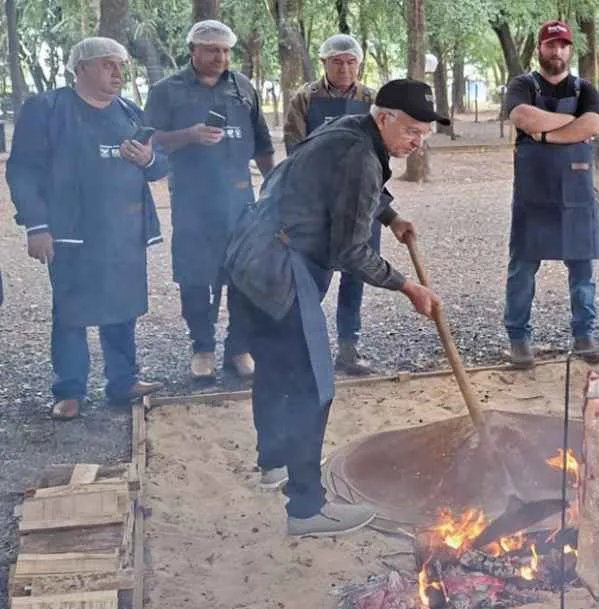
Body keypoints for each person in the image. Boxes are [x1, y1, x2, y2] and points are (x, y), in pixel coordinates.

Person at [224, 79, 443, 537]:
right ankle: (307, 509)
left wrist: (390, 215)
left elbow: (340, 181)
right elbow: (351, 252)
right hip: (280, 268)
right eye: (412, 131)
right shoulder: (362, 156)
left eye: (424, 134)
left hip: (249, 255)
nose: (417, 143)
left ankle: (274, 462)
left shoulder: (349, 127)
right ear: (384, 117)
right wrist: (408, 287)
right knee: (313, 387)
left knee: (275, 367)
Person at [6, 37, 167, 420]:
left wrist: (148, 159)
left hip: (124, 231)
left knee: (123, 306)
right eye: (107, 64)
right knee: (71, 311)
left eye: (120, 65)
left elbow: (160, 167)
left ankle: (123, 381)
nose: (117, 72)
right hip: (71, 233)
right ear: (80, 69)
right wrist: (37, 225)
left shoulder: (129, 111)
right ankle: (70, 390)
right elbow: (23, 170)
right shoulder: (48, 109)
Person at [145, 20, 275, 382]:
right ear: (192, 51)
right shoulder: (166, 91)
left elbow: (262, 144)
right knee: (194, 276)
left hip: (240, 201)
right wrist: (188, 135)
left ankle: (238, 348)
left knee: (244, 275)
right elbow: (148, 141)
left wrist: (274, 188)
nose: (220, 58)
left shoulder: (242, 87)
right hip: (193, 201)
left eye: (225, 51)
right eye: (212, 50)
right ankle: (202, 347)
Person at [503, 20, 599, 368]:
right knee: (522, 268)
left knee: (582, 271)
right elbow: (522, 116)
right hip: (534, 193)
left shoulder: (585, 88)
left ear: (570, 50)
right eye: (550, 45)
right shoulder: (522, 85)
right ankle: (518, 338)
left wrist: (545, 134)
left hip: (577, 195)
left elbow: (594, 124)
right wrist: (572, 124)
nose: (556, 51)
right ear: (540, 49)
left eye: (562, 45)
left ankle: (584, 335)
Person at [284, 33, 380, 376]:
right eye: (337, 62)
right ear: (323, 63)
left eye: (351, 62)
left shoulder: (372, 99)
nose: (344, 69)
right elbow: (295, 149)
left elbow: (381, 150)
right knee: (313, 275)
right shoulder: (305, 98)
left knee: (356, 273)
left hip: (360, 201)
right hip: (316, 203)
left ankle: (349, 348)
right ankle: (302, 346)